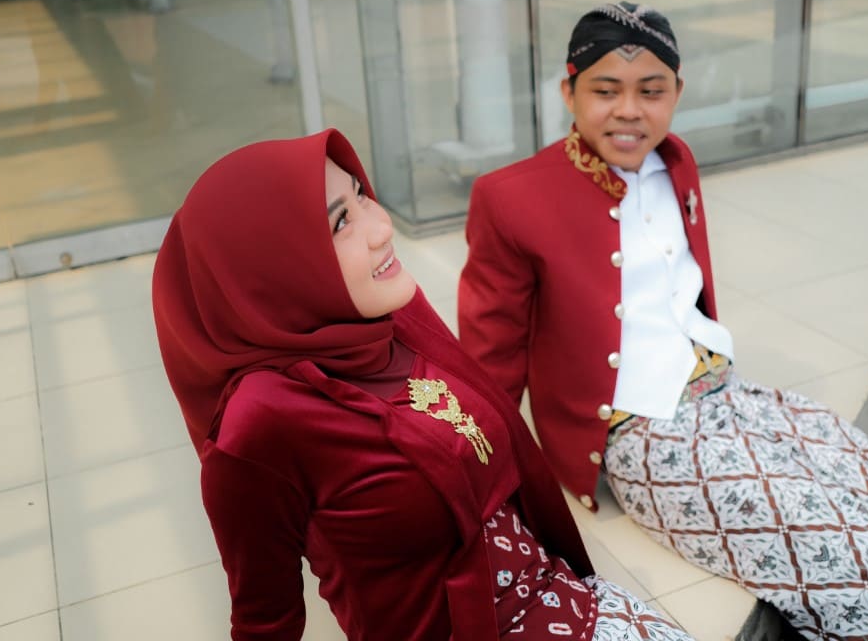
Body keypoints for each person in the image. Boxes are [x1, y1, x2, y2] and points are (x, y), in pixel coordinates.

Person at [458, 1, 868, 639]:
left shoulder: (676, 160)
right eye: (605, 90)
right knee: (845, 546)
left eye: (652, 91)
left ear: (678, 94)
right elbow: (488, 363)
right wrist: (487, 489)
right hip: (642, 435)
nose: (629, 110)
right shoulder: (512, 197)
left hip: (732, 394)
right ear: (569, 92)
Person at [151, 128, 698, 640]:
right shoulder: (260, 423)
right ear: (272, 271)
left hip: (568, 600)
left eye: (361, 195)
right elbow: (264, 621)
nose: (381, 227)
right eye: (340, 223)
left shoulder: (393, 327)